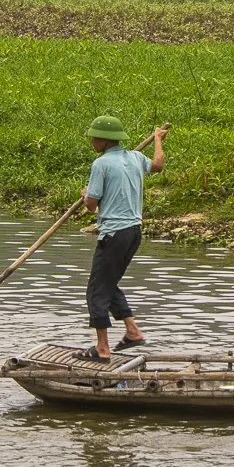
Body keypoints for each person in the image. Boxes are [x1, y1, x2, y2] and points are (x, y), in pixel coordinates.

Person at [77, 116, 167, 360]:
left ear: (105, 141)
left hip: (114, 234)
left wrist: (86, 196)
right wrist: (158, 140)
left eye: (94, 137)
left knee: (96, 289)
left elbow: (92, 206)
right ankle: (133, 331)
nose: (92, 141)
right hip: (133, 233)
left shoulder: (101, 164)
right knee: (108, 283)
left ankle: (102, 349)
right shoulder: (135, 158)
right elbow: (158, 165)